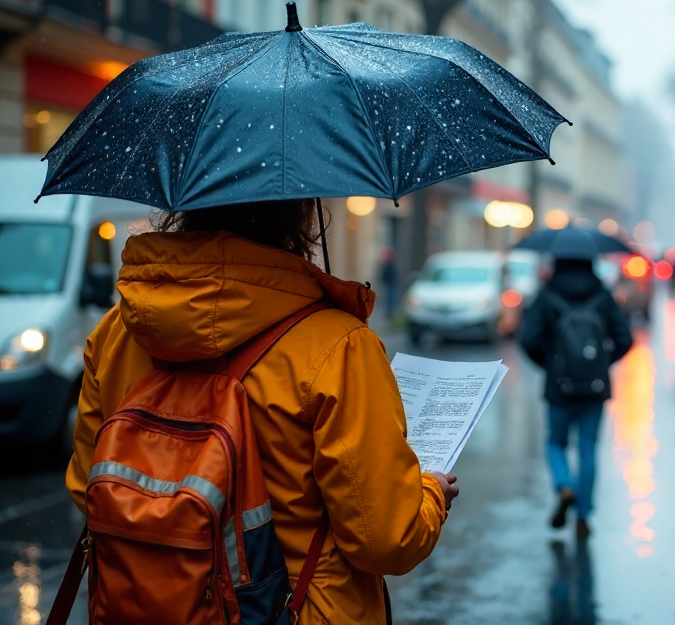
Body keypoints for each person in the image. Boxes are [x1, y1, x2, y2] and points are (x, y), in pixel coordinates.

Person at [66, 200, 456, 625]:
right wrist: (431, 492)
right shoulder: (339, 345)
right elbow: (385, 539)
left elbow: (88, 487)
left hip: (142, 607)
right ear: (301, 217)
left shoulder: (118, 332)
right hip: (296, 610)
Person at [521, 256, 633, 538]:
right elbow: (624, 339)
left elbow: (528, 339)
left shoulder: (547, 296)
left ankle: (565, 485)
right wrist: (600, 363)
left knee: (555, 443)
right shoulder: (602, 296)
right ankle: (583, 516)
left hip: (559, 388)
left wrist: (551, 365)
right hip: (594, 388)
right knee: (588, 448)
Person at [379, 247, 398, 320]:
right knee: (389, 300)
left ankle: (390, 313)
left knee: (390, 300)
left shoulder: (389, 266)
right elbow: (385, 275)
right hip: (389, 284)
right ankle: (389, 314)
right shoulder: (388, 266)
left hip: (390, 284)